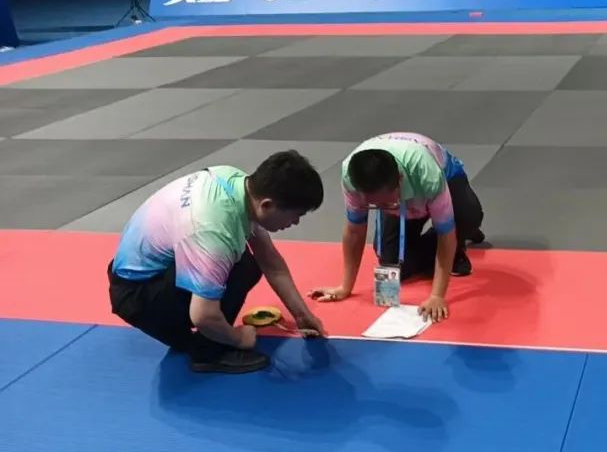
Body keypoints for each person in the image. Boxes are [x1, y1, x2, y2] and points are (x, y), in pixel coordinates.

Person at [107, 150, 328, 374]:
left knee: (245, 263)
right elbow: (203, 316)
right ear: (267, 205)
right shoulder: (214, 230)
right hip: (137, 296)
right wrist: (239, 338)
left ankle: (196, 335)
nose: (296, 222)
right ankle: (208, 352)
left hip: (147, 274)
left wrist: (302, 314)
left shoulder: (237, 183)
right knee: (238, 267)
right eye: (296, 215)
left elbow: (269, 260)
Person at [308, 132, 485, 322]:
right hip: (405, 202)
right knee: (393, 262)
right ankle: (441, 239)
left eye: (385, 202)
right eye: (375, 204)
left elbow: (446, 233)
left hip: (442, 179)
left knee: (467, 217)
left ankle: (462, 234)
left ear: (399, 179)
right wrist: (345, 287)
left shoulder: (428, 174)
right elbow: (354, 230)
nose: (381, 207)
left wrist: (436, 296)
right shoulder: (351, 178)